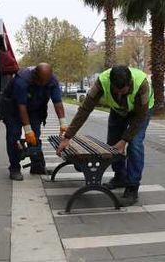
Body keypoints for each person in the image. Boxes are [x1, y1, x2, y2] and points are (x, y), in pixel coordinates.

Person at [57, 65, 154, 206]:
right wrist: (67, 137)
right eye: (116, 92)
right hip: (118, 111)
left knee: (135, 144)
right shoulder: (102, 82)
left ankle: (132, 187)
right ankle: (120, 177)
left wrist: (124, 141)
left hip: (141, 112)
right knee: (112, 142)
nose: (119, 95)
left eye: (123, 92)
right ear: (111, 83)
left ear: (130, 84)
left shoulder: (142, 85)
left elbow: (139, 118)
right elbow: (85, 109)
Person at [2, 63, 66, 181]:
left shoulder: (52, 81)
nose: (43, 84)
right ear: (35, 75)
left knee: (35, 136)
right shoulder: (21, 81)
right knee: (13, 137)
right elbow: (21, 107)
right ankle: (14, 168)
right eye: (41, 81)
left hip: (35, 109)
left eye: (46, 82)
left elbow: (57, 102)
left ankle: (37, 166)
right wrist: (27, 130)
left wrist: (63, 124)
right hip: (13, 109)